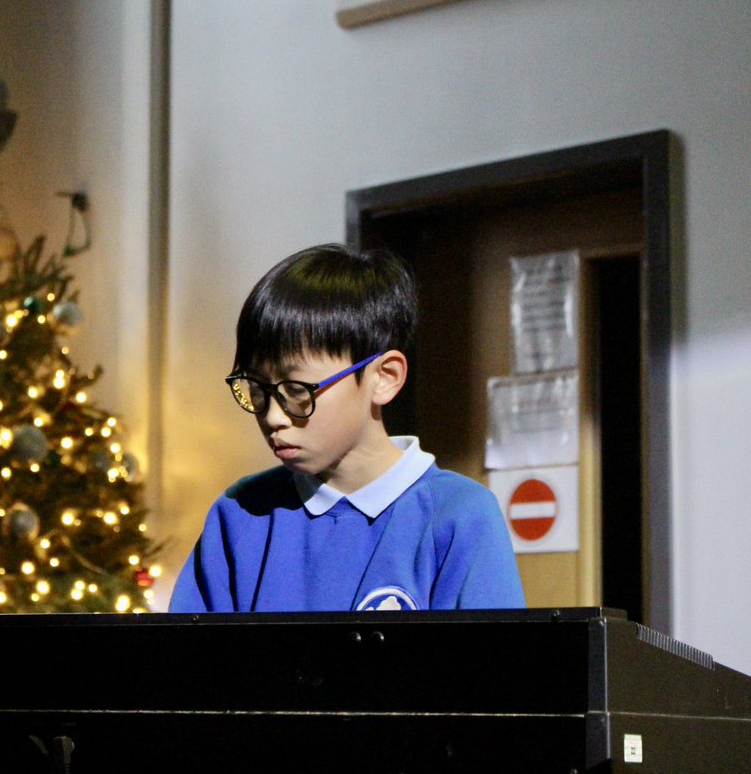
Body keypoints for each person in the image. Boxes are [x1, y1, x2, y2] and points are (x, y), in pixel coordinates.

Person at [169, 245, 524, 612]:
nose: (273, 416)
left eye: (297, 390)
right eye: (257, 389)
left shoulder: (459, 515)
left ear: (384, 377)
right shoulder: (241, 512)